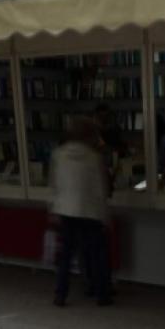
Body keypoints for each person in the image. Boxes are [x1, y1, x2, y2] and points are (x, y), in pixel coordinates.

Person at [47, 117, 113, 307]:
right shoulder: (93, 157)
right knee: (97, 254)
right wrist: (105, 216)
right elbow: (99, 190)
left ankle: (60, 294)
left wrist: (52, 209)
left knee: (66, 255)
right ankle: (102, 294)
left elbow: (54, 185)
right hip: (89, 211)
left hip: (66, 210)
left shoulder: (58, 155)